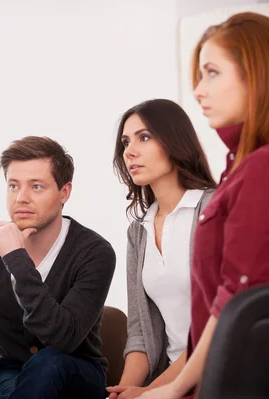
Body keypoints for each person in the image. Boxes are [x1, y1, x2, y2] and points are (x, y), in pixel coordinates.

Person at [138, 12, 269, 399]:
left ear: (255, 74)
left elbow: (236, 297)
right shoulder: (240, 168)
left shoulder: (259, 167)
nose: (197, 90)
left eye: (211, 73)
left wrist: (179, 385)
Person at [0, 136, 116, 399]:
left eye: (36, 187)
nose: (21, 198)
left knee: (49, 363)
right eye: (13, 186)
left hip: (77, 373)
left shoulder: (94, 252)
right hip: (9, 372)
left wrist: (16, 258)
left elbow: (63, 339)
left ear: (64, 192)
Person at [105, 99, 216, 399]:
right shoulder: (137, 232)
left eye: (144, 137)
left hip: (219, 370)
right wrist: (127, 390)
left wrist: (152, 392)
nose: (129, 151)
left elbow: (217, 321)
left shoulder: (214, 210)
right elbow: (140, 331)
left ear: (174, 141)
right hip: (169, 380)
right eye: (126, 142)